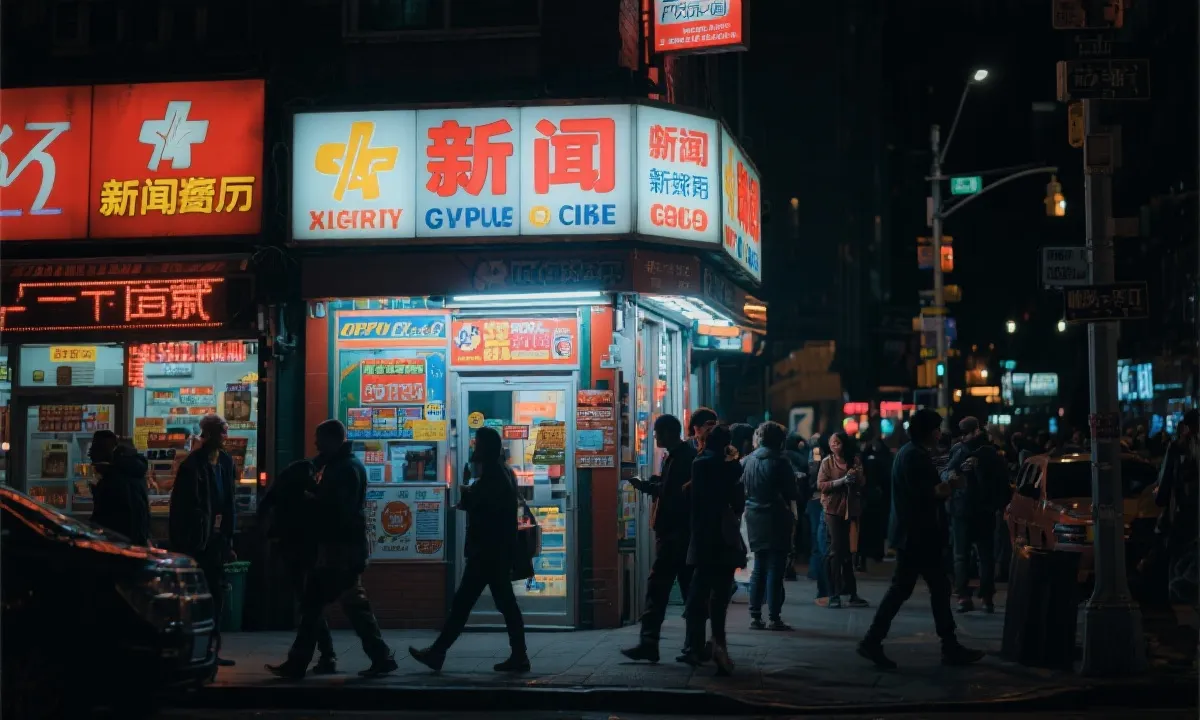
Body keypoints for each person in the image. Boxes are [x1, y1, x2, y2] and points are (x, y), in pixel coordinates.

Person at [857, 409, 985, 670]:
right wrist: (954, 485)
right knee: (914, 589)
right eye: (937, 428)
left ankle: (945, 645)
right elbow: (928, 493)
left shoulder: (910, 452)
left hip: (914, 534)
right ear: (928, 430)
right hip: (917, 535)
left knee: (928, 589)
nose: (940, 433)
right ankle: (875, 641)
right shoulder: (914, 455)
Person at [268, 420, 396, 679]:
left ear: (333, 439)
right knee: (349, 605)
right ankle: (378, 657)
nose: (316, 444)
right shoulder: (340, 465)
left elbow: (338, 510)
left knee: (316, 605)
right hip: (344, 549)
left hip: (340, 550)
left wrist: (310, 499)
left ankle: (300, 663)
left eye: (320, 438)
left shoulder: (345, 469)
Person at [411, 426, 529, 672]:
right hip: (496, 550)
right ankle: (518, 655)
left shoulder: (494, 474)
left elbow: (482, 506)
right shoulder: (504, 471)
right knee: (499, 604)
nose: (475, 447)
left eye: (478, 443)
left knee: (466, 604)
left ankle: (438, 652)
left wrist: (468, 494)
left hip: (487, 551)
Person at [622, 414, 698, 663]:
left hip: (674, 535)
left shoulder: (681, 457)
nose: (654, 436)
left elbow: (672, 494)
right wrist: (653, 483)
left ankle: (651, 643)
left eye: (656, 432)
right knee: (688, 592)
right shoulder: (680, 455)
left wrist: (647, 487)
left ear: (667, 433)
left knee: (658, 589)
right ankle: (692, 646)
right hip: (680, 535)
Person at [170, 414, 238, 668]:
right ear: (209, 434)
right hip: (198, 542)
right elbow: (181, 508)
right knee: (199, 597)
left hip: (216, 541)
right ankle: (197, 649)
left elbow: (229, 503)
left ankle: (211, 648)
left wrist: (228, 539)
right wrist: (185, 542)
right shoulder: (193, 465)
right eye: (222, 432)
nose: (226, 437)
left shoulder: (225, 463)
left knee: (216, 594)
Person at [258, 457, 337, 673]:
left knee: (309, 604)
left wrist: (269, 533)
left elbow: (266, 505)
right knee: (311, 604)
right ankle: (325, 655)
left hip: (293, 548)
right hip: (305, 550)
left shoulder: (289, 484)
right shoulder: (306, 489)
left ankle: (321, 656)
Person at [679, 425, 746, 675]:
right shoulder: (732, 467)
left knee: (698, 594)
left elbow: (695, 505)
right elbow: (738, 503)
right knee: (719, 594)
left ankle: (697, 647)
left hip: (704, 536)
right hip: (725, 536)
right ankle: (718, 643)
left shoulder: (700, 464)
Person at [942, 417, 1009, 613]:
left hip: (964, 509)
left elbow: (947, 472)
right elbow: (1002, 481)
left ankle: (964, 596)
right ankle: (986, 597)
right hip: (982, 510)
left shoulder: (961, 450)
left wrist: (954, 476)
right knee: (984, 556)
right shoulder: (992, 452)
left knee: (962, 555)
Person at [742, 421, 798, 630]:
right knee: (776, 568)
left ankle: (755, 615)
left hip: (753, 516)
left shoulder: (747, 460)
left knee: (759, 566)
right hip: (775, 516)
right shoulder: (780, 461)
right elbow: (791, 493)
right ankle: (774, 617)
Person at [817, 431, 869, 609]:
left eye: (837, 442)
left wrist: (856, 477)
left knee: (849, 552)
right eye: (832, 443)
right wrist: (840, 481)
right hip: (833, 509)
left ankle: (851, 593)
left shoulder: (854, 461)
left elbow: (862, 482)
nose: (834, 446)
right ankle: (834, 593)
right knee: (836, 551)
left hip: (851, 509)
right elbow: (821, 485)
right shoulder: (827, 462)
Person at [1154, 410, 1199, 603]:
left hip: (1187, 511)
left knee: (1183, 553)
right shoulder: (1179, 448)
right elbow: (1167, 480)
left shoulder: (1182, 447)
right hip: (1183, 512)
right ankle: (1178, 597)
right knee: (1180, 552)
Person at [88, 430, 151, 546]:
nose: (90, 454)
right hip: (136, 540)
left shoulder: (114, 478)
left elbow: (107, 516)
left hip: (120, 543)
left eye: (94, 449)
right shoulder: (131, 468)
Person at [805, 434, 832, 604]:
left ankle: (816, 571)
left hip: (816, 499)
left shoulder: (817, 453)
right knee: (820, 540)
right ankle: (817, 571)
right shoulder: (819, 455)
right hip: (819, 499)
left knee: (819, 539)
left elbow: (812, 471)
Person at [782, 432, 809, 581]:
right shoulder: (798, 456)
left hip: (786, 501)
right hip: (795, 500)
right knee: (793, 532)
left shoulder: (781, 456)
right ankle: (789, 566)